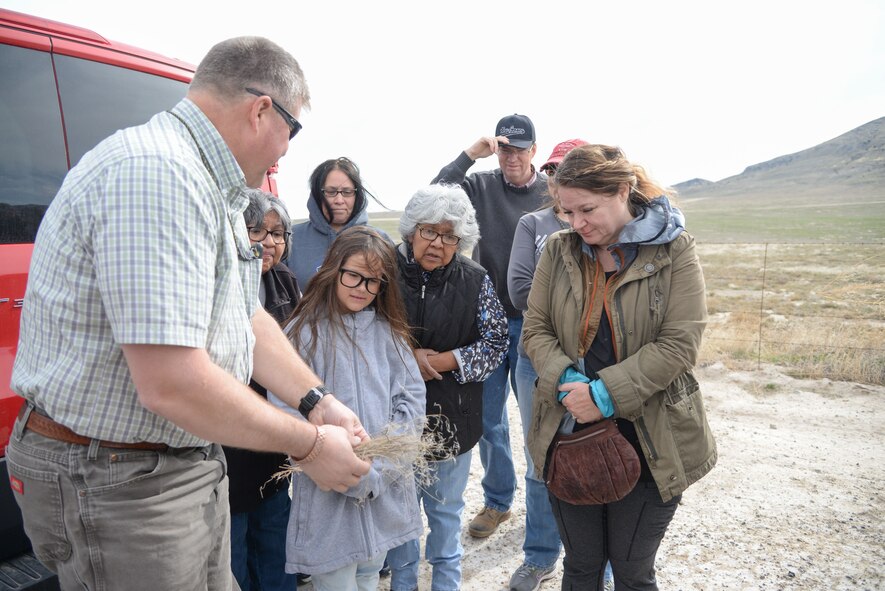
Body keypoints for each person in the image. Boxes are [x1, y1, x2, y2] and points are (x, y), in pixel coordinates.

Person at [7, 36, 371, 591]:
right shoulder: (158, 175)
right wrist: (311, 445)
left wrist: (317, 403)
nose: (287, 151)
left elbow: (243, 314)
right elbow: (172, 383)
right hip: (120, 482)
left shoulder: (210, 186)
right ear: (261, 109)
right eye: (291, 131)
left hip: (173, 466)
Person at [522, 144, 717, 590]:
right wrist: (567, 380)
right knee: (582, 566)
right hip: (570, 434)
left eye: (586, 209)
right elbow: (535, 329)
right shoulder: (559, 250)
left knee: (631, 572)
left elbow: (679, 342)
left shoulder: (674, 250)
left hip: (649, 435)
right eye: (566, 212)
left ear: (623, 191)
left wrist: (604, 394)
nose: (576, 223)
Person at [269, 226, 425, 591]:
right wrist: (333, 461)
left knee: (371, 573)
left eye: (374, 281)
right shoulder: (302, 332)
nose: (362, 288)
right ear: (332, 269)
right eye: (354, 275)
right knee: (335, 580)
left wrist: (383, 466)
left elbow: (412, 401)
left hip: (382, 487)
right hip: (327, 493)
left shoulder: (390, 332)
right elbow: (284, 406)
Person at [432, 113, 549, 540]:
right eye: (504, 149)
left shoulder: (550, 191)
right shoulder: (479, 185)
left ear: (534, 150)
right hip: (487, 323)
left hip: (537, 324)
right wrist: (468, 155)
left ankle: (547, 501)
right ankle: (499, 501)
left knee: (540, 418)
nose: (511, 157)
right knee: (488, 419)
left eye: (520, 149)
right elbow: (436, 195)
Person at [387, 184, 508, 591]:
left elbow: (495, 344)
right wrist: (408, 360)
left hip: (453, 420)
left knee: (445, 516)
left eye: (450, 236)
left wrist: (441, 361)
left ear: (461, 241)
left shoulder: (475, 279)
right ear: (411, 231)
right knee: (399, 521)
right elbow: (359, 335)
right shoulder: (382, 271)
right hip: (392, 423)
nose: (438, 243)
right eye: (430, 231)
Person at [506, 139, 588, 591]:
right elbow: (519, 293)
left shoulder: (605, 230)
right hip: (535, 357)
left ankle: (600, 562)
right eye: (554, 171)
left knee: (596, 452)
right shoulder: (533, 224)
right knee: (541, 459)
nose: (559, 180)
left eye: (569, 170)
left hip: (592, 360)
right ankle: (540, 557)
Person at [225, 189, 300, 591]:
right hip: (229, 440)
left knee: (275, 541)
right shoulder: (223, 282)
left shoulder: (286, 281)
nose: (270, 242)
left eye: (278, 232)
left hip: (273, 444)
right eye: (257, 230)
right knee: (232, 553)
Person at [287, 156, 389, 288]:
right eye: (331, 192)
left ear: (357, 196)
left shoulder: (380, 240)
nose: (339, 200)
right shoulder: (291, 238)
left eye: (347, 192)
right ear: (317, 194)